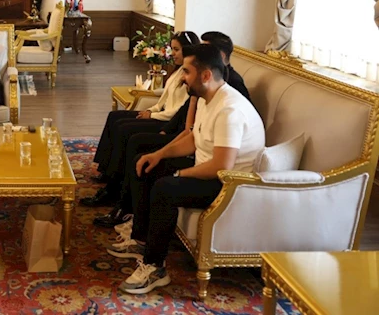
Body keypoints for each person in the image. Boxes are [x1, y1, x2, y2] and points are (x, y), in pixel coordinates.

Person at [108, 44, 264, 294]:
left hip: (230, 185)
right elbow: (194, 139)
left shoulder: (230, 110)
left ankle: (155, 268)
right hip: (209, 169)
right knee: (147, 164)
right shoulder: (207, 97)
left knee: (165, 188)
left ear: (206, 75)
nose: (182, 78)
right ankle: (141, 239)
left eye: (187, 72)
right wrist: (158, 155)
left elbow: (222, 166)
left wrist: (179, 174)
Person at [92, 30, 251, 228]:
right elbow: (188, 121)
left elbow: (217, 156)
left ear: (218, 57)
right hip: (189, 136)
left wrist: (177, 166)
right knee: (125, 130)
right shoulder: (205, 87)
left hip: (211, 163)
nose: (184, 76)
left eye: (205, 49)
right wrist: (162, 144)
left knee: (136, 141)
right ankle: (115, 190)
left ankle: (123, 206)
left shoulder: (226, 92)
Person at [83, 31, 200, 206]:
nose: (173, 54)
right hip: (161, 114)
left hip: (166, 121)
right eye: (172, 49)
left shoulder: (190, 77)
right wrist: (151, 109)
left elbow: (176, 111)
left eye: (177, 49)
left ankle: (114, 185)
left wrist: (152, 115)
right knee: (115, 117)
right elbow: (165, 99)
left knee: (124, 129)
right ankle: (107, 170)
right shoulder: (178, 71)